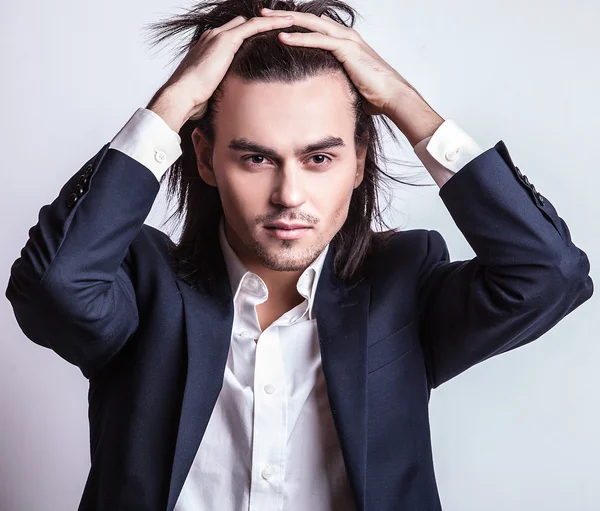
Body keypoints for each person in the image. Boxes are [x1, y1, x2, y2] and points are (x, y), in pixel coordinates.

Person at [5, 0, 593, 510]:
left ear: (359, 161)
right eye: (255, 158)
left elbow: (549, 276)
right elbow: (53, 286)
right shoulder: (139, 285)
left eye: (319, 158)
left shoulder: (401, 288)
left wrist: (404, 103)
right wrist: (171, 105)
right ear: (206, 159)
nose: (289, 195)